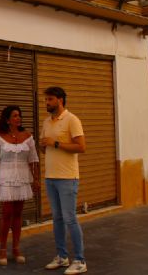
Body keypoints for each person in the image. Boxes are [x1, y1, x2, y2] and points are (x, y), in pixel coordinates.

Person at [39, 86, 87, 274]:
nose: (46, 103)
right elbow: (46, 147)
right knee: (57, 218)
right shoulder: (46, 122)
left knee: (70, 218)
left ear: (60, 100)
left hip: (67, 178)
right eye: (45, 100)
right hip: (50, 177)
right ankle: (62, 256)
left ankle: (80, 260)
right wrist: (44, 145)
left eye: (49, 99)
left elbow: (81, 147)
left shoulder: (72, 120)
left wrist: (56, 143)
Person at [0, 105, 39, 266]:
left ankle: (16, 248)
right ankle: (2, 248)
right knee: (6, 212)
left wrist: (36, 179)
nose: (18, 118)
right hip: (6, 178)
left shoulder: (27, 136)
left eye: (19, 115)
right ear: (7, 119)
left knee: (18, 213)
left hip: (23, 177)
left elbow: (33, 159)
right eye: (15, 116)